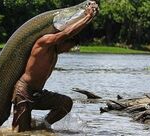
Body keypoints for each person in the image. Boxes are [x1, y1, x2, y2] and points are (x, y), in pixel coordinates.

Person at [11, 2, 98, 132]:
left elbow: (69, 35)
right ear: (62, 41)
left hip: (38, 93)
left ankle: (42, 126)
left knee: (65, 103)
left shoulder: (54, 53)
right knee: (21, 132)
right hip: (23, 92)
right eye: (68, 47)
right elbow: (67, 33)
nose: (68, 50)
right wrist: (87, 17)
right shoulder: (44, 43)